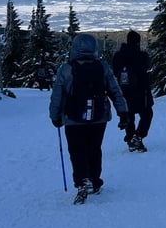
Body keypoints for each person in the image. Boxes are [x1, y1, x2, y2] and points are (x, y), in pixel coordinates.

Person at [49, 33, 129, 204]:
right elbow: (115, 91)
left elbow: (57, 95)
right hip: (99, 117)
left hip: (73, 118)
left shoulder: (66, 69)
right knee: (94, 148)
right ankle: (95, 181)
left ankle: (82, 181)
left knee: (76, 151)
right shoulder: (102, 67)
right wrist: (123, 113)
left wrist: (55, 116)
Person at [111, 30, 154, 153]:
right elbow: (146, 68)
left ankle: (131, 137)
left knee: (129, 115)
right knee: (147, 114)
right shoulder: (142, 56)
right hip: (141, 91)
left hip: (124, 91)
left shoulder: (118, 56)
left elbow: (115, 72)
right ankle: (138, 136)